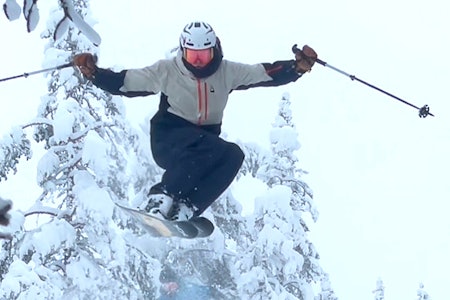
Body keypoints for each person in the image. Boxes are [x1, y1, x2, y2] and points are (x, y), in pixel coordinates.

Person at [73, 21, 317, 221]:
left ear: (214, 50)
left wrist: (296, 67)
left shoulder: (227, 72)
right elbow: (126, 81)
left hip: (203, 145)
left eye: (203, 54)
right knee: (210, 147)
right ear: (183, 51)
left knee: (233, 155)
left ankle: (188, 206)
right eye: (192, 55)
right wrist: (95, 73)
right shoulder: (167, 70)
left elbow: (264, 73)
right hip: (169, 137)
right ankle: (161, 197)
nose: (198, 61)